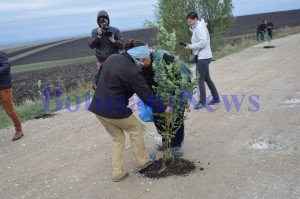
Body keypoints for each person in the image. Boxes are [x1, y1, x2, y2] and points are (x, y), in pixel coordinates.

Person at [88, 40, 172, 182]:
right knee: (136, 129)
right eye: (143, 59)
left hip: (98, 108)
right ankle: (142, 161)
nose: (144, 62)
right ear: (137, 56)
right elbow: (146, 96)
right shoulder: (133, 71)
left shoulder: (112, 57)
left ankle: (117, 172)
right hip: (115, 110)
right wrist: (164, 107)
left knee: (118, 138)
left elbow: (98, 77)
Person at [140, 48, 191, 156]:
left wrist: (174, 93)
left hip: (175, 91)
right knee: (158, 117)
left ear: (149, 54)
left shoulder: (164, 57)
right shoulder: (139, 65)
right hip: (156, 94)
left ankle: (176, 144)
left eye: (144, 60)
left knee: (177, 116)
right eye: (139, 61)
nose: (142, 63)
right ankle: (166, 141)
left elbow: (180, 74)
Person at [184, 11, 220, 109]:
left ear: (195, 19)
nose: (189, 23)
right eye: (188, 22)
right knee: (207, 78)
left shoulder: (200, 27)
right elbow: (201, 42)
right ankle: (216, 98)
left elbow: (203, 42)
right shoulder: (198, 27)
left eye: (190, 21)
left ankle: (202, 102)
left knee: (199, 79)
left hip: (203, 57)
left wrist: (191, 46)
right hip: (204, 56)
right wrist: (191, 46)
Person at [88, 10, 125, 86]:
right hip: (101, 62)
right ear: (98, 21)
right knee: (104, 82)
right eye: (101, 19)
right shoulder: (95, 31)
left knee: (118, 80)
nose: (103, 21)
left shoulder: (115, 30)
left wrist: (114, 41)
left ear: (108, 19)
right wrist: (98, 37)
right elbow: (91, 45)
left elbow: (123, 45)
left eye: (105, 19)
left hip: (114, 61)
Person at [0, 50, 24, 141]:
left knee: (9, 111)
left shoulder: (1, 54)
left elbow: (6, 67)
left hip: (4, 87)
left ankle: (19, 131)